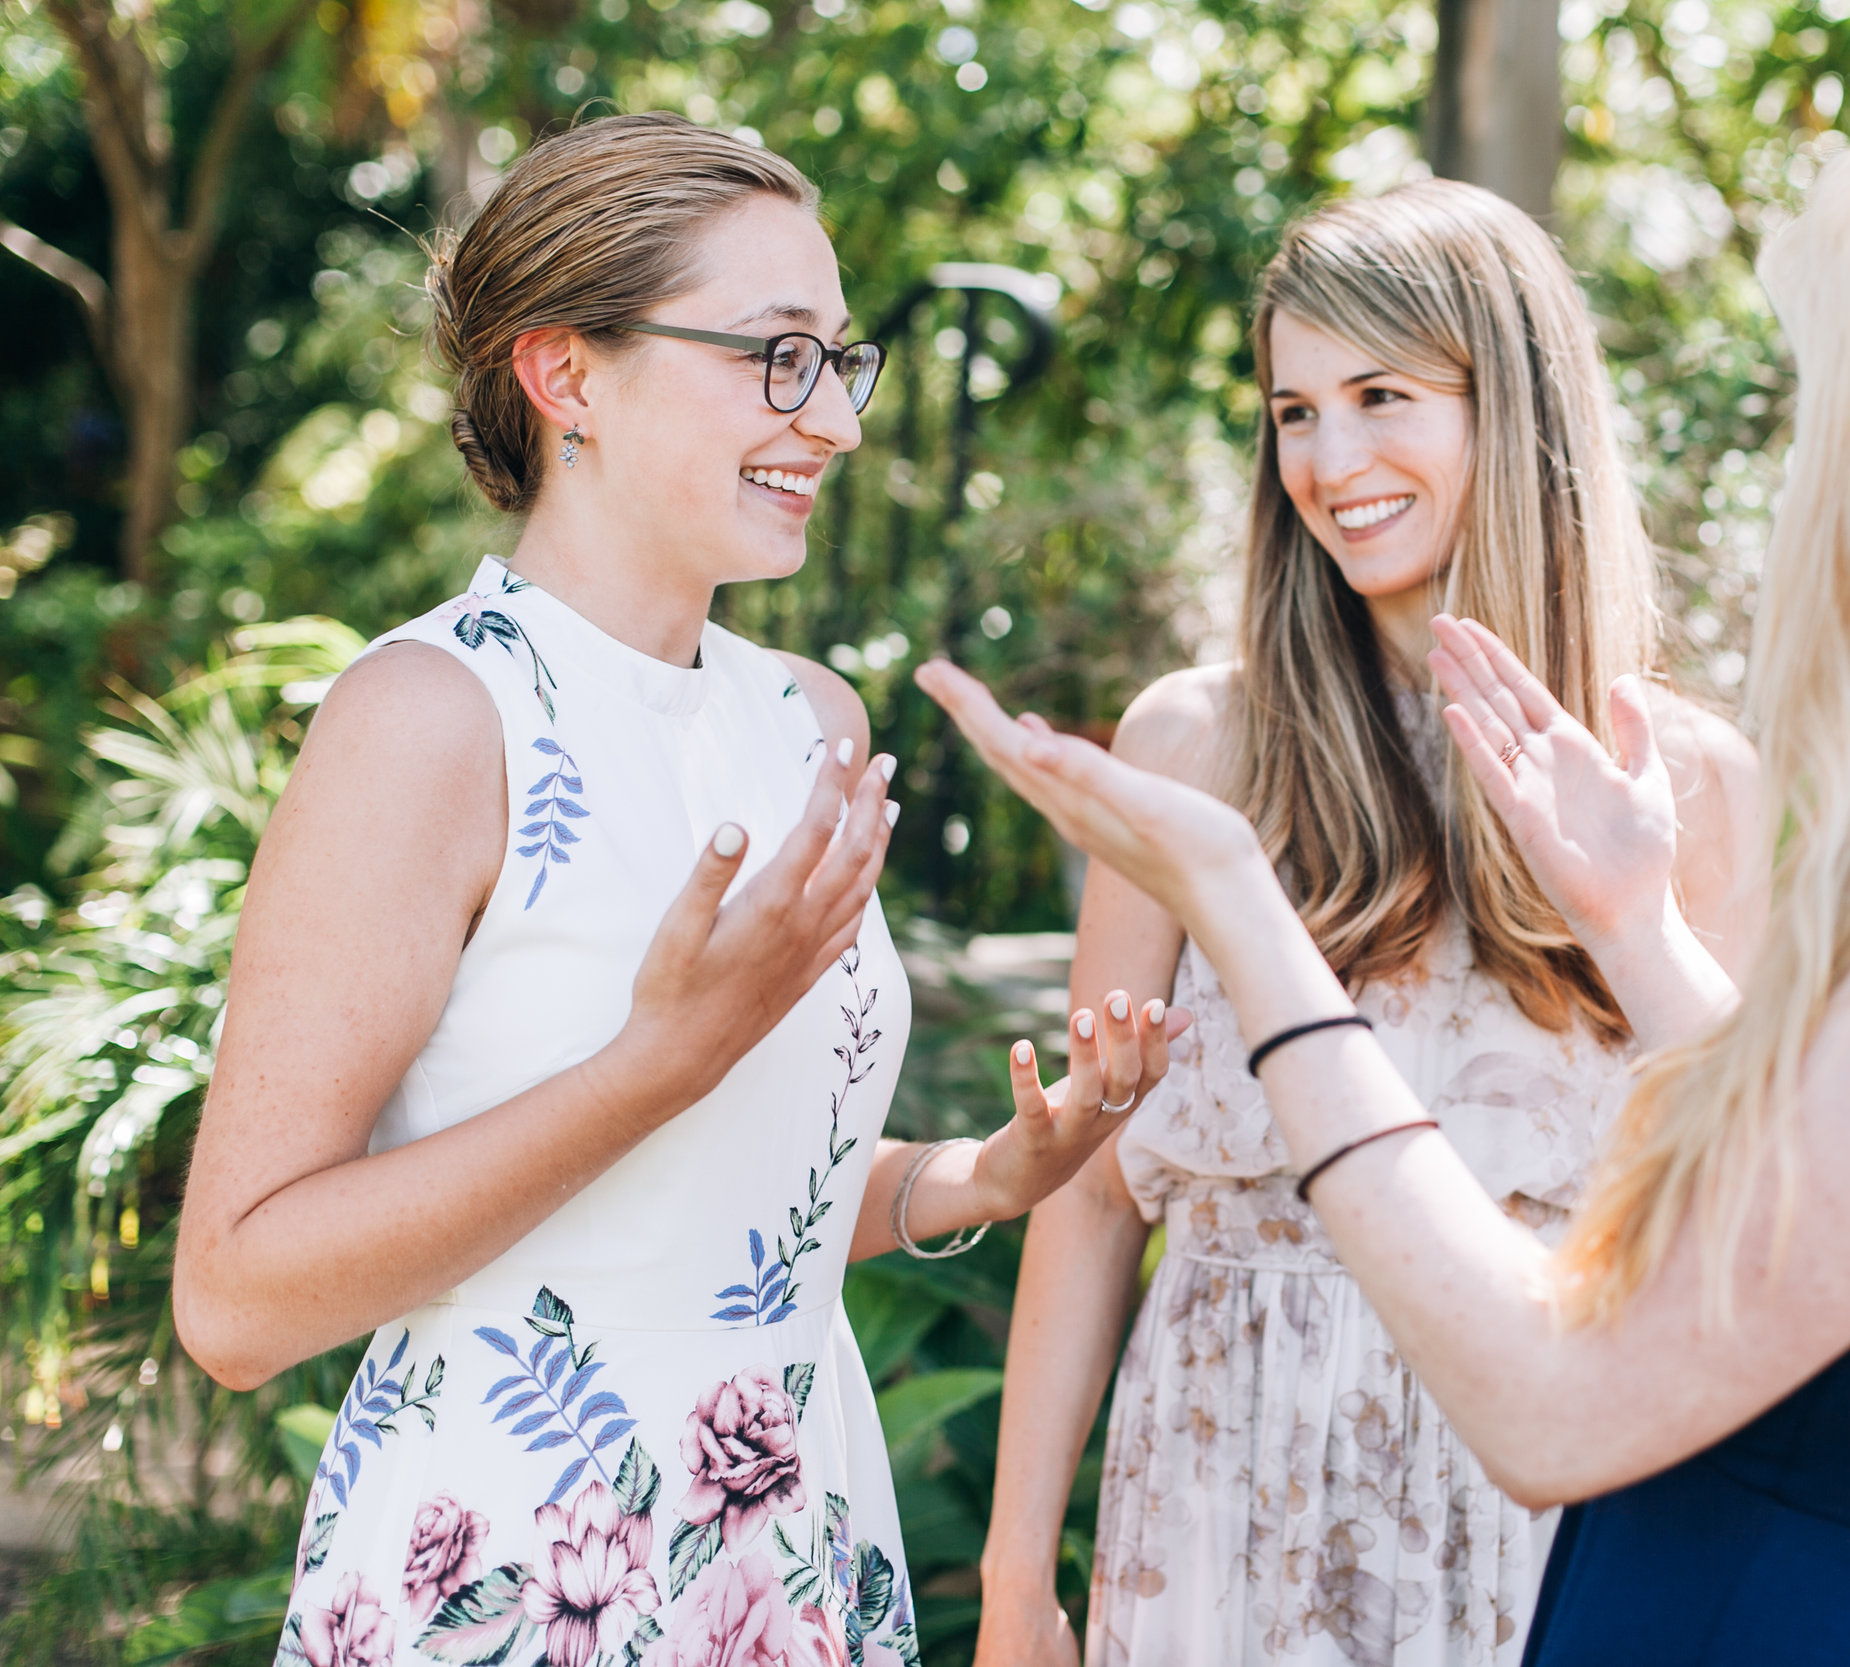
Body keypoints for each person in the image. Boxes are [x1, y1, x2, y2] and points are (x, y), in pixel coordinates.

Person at [923, 108, 1850, 1667]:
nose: (1821, 467)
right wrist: (1638, 928)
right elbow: (1849, 1225)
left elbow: (1555, 1405)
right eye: (1297, 409)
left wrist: (1242, 903)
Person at [171, 114, 1175, 1667]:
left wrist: (969, 1180)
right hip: (518, 1562)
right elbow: (236, 1303)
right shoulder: (431, 721)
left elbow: (707, 1217)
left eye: (841, 361)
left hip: (790, 1541)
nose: (834, 421)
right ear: (565, 373)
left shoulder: (810, 723)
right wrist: (658, 1059)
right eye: (778, 356)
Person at [973, 180, 1762, 1667]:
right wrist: (1021, 1580)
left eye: (1381, 397)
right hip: (1213, 1496)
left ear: (1511, 402)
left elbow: (1749, 1242)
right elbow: (1088, 1194)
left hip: (1539, 1523)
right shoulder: (1196, 750)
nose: (1331, 462)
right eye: (1294, 412)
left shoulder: (1691, 787)